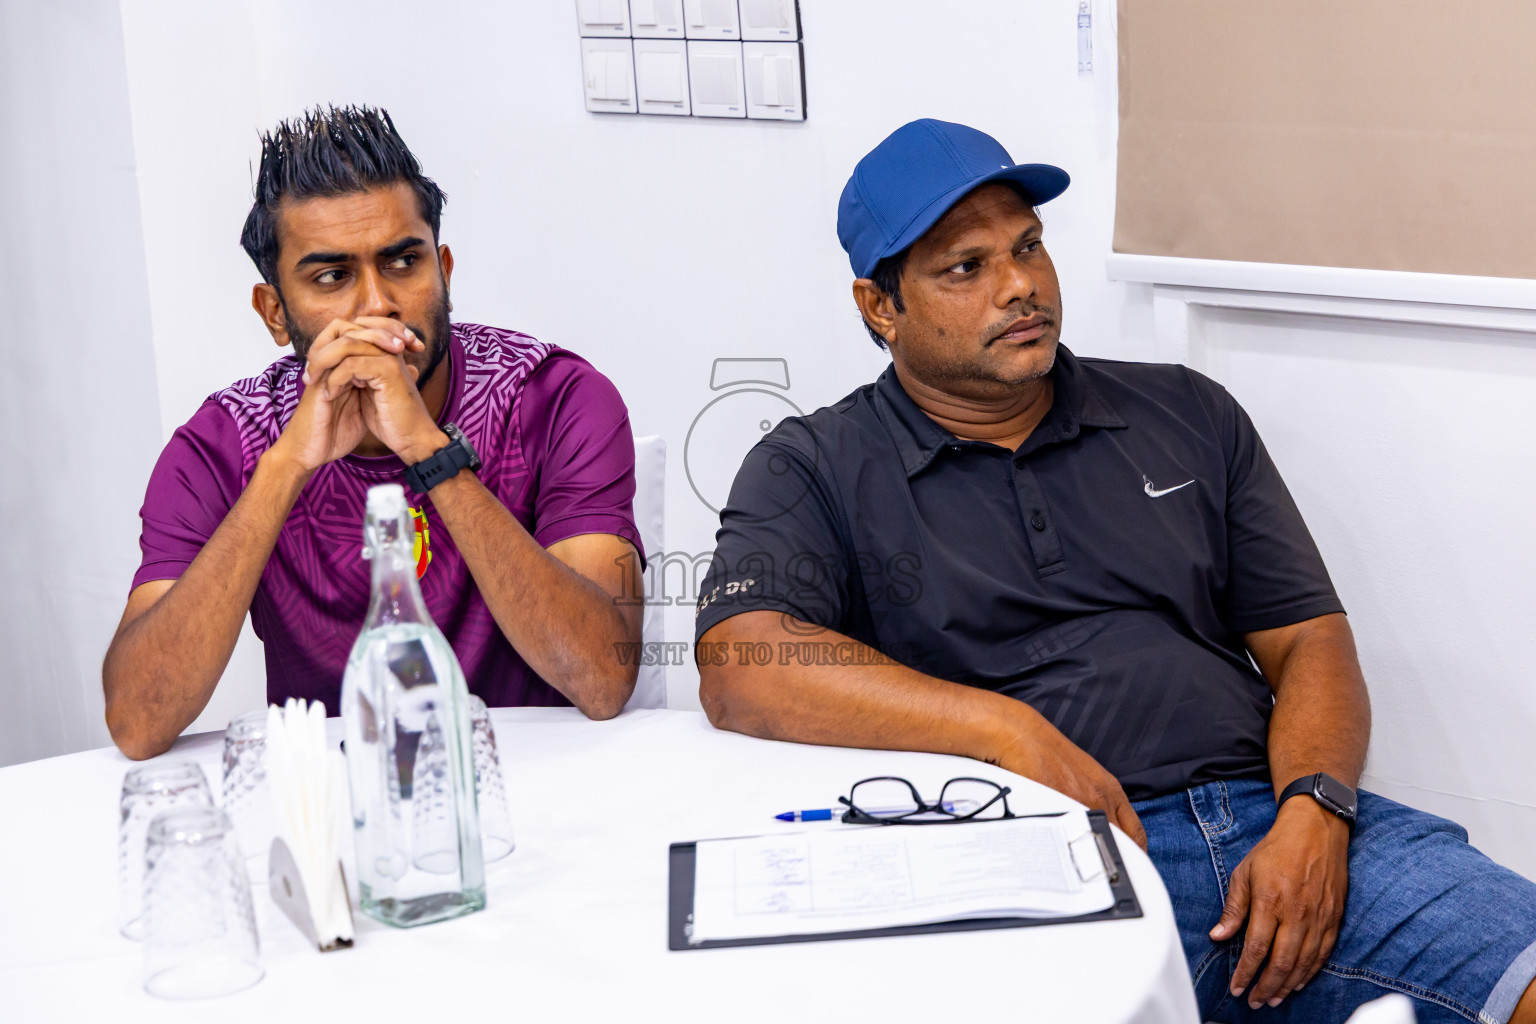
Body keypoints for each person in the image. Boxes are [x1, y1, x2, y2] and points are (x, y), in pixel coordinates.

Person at [694, 119, 1536, 1024]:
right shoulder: (814, 462)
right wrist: (1005, 730)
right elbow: (741, 661)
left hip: (1269, 819)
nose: (1020, 286)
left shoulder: (1184, 408)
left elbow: (1308, 639)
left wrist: (1317, 811)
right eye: (965, 268)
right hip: (1025, 850)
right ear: (879, 307)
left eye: (1028, 247)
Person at [104, 106, 645, 759]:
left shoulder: (554, 396)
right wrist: (285, 466)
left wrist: (428, 450)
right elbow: (137, 721)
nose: (376, 305)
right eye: (331, 277)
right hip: (337, 808)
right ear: (275, 312)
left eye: (402, 262)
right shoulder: (221, 445)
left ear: (443, 270)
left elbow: (603, 680)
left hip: (538, 790)